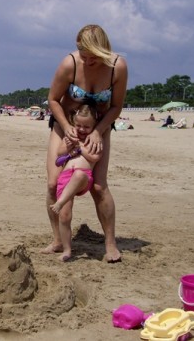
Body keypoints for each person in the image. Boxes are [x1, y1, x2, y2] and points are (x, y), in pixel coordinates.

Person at [44, 24, 128, 263]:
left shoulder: (117, 67)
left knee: (99, 186)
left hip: (98, 128)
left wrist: (98, 132)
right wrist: (67, 127)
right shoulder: (69, 63)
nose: (88, 61)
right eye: (84, 55)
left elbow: (116, 107)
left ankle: (110, 244)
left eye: (94, 57)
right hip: (65, 125)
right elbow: (53, 100)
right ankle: (58, 240)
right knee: (53, 184)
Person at [50, 104, 102, 262]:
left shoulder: (93, 141)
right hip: (66, 178)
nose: (81, 129)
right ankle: (66, 249)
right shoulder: (71, 137)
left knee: (79, 174)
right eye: (78, 125)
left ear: (94, 126)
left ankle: (59, 202)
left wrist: (81, 147)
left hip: (82, 178)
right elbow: (59, 152)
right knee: (65, 217)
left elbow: (95, 158)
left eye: (86, 127)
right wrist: (69, 148)